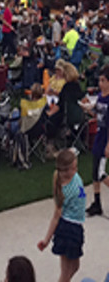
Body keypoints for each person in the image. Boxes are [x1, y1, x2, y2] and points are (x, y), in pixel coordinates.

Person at [37, 148, 84, 282]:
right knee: (66, 272)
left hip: (76, 227)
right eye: (74, 168)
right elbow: (55, 218)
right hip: (68, 230)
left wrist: (67, 153)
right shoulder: (66, 191)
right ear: (67, 171)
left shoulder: (69, 174)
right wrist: (46, 240)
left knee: (75, 267)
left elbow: (71, 153)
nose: (76, 170)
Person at [85, 64, 109, 216]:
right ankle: (97, 202)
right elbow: (98, 116)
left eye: (103, 80)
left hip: (106, 138)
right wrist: (88, 109)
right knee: (94, 172)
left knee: (100, 173)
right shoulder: (100, 97)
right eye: (99, 80)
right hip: (99, 136)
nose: (100, 83)